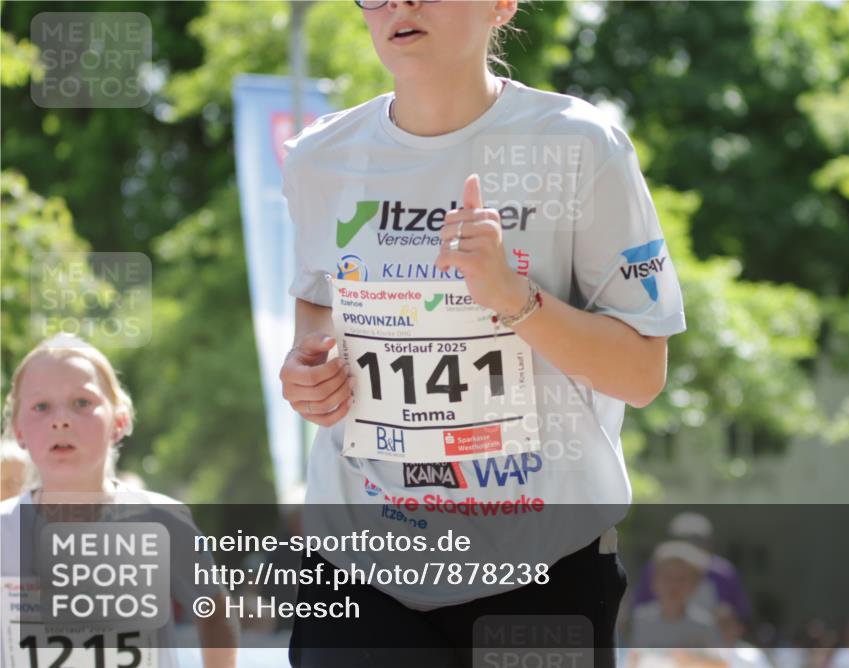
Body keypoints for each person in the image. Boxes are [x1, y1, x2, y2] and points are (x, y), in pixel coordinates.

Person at [278, 1, 686, 666]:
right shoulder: (319, 159)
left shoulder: (582, 147)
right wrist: (307, 372)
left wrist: (514, 300)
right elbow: (317, 311)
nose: (400, 5)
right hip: (362, 568)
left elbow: (641, 374)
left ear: (501, 6)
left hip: (538, 572)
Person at [0, 334, 238, 668]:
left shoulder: (161, 519)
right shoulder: (5, 529)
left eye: (82, 402)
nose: (60, 420)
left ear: (119, 420)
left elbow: (215, 614)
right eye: (41, 406)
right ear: (18, 430)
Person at [634, 513, 751, 625]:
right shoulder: (654, 568)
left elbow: (740, 616)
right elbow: (638, 609)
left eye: (697, 541)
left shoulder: (723, 572)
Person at [625, 541, 725, 668]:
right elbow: (634, 659)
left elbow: (721, 664)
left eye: (681, 579)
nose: (673, 585)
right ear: (654, 581)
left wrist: (691, 660)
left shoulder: (704, 625)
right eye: (667, 577)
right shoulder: (641, 618)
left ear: (695, 585)